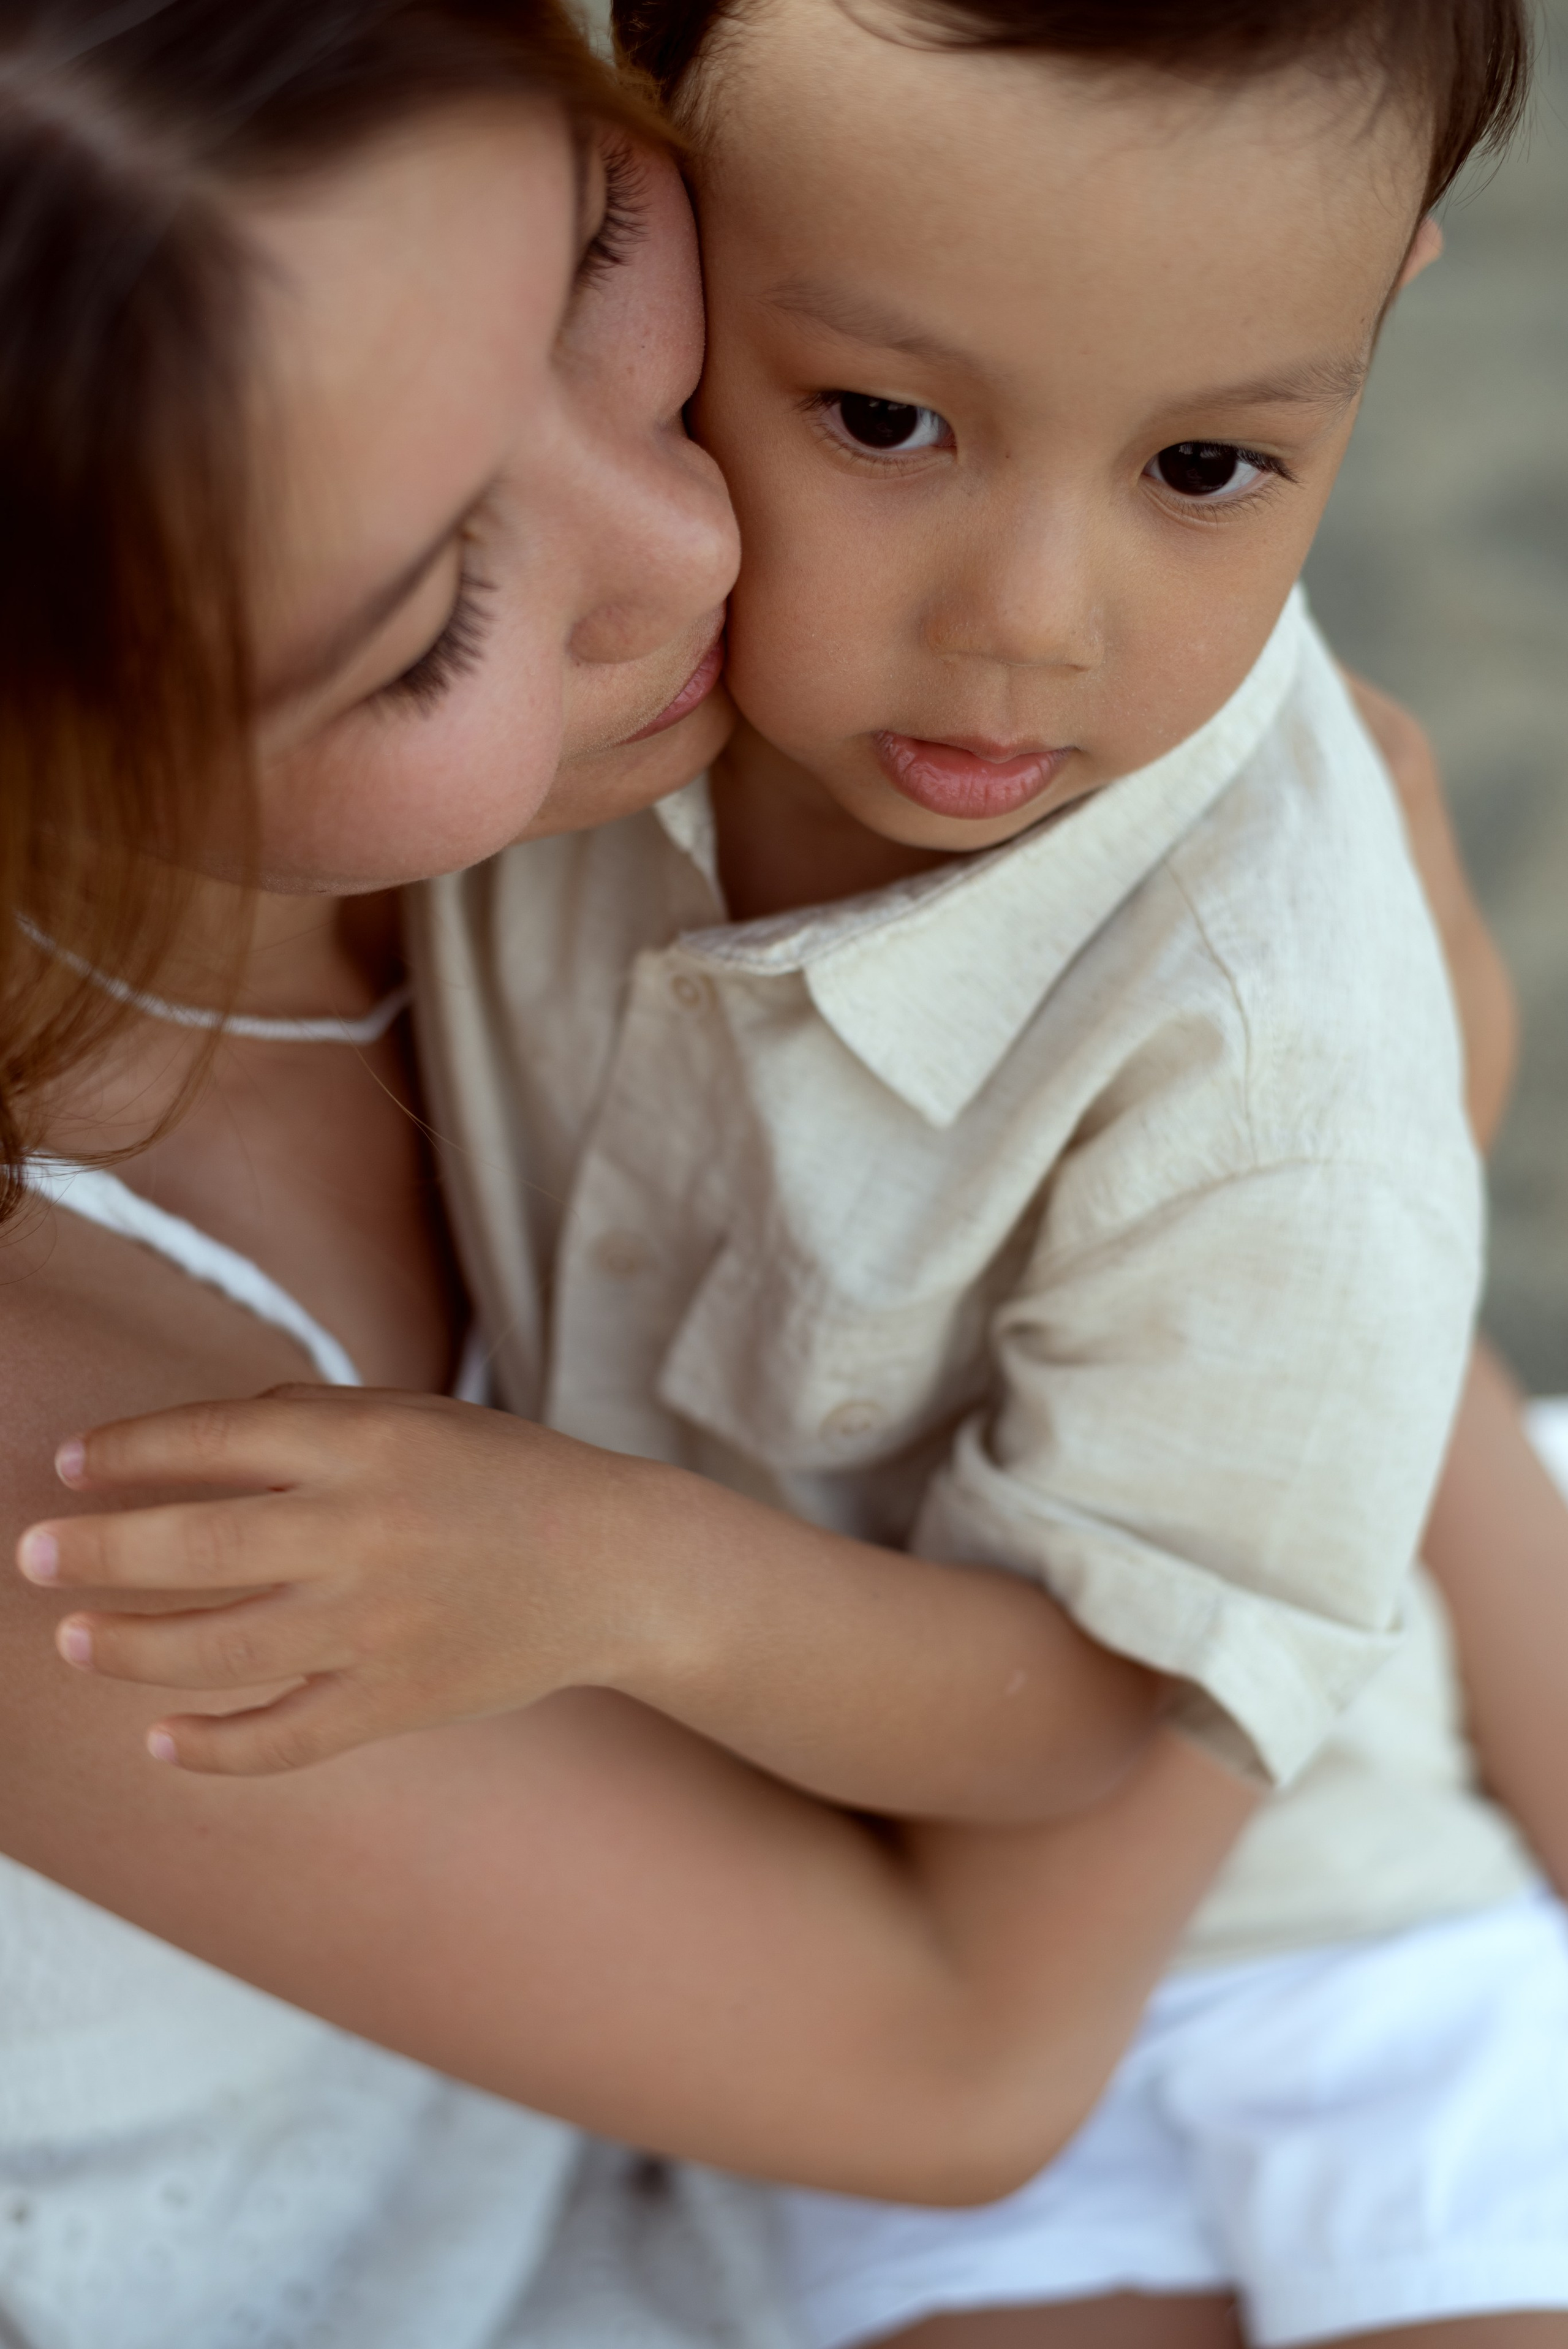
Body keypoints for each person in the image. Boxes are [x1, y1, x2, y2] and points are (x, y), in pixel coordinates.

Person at [40, 0, 1568, 2343]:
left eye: (599, 281)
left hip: (1287, 1875)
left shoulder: (1031, 720)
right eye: (439, 616)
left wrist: (1400, 1203)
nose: (689, 552)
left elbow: (1287, 1376)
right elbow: (945, 2064)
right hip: (845, 2000)